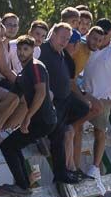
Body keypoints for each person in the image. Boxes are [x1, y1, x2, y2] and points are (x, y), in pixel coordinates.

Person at [0, 35, 55, 196]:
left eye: (26, 49)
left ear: (33, 50)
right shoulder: (23, 74)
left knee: (8, 146)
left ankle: (23, 186)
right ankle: (23, 184)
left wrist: (27, 117)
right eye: (20, 49)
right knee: (12, 146)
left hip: (42, 120)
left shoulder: (35, 67)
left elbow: (41, 92)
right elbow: (10, 99)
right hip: (41, 120)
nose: (22, 53)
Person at [38, 23, 90, 184]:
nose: (64, 42)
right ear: (53, 35)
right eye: (62, 38)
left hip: (65, 100)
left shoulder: (61, 53)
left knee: (83, 108)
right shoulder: (42, 50)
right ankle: (60, 173)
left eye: (67, 39)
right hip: (52, 100)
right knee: (59, 135)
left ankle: (59, 125)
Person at [82, 21, 111, 178]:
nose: (105, 34)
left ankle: (95, 167)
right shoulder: (86, 45)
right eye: (102, 31)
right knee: (76, 128)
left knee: (100, 131)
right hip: (84, 94)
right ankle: (74, 165)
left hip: (105, 97)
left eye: (107, 32)